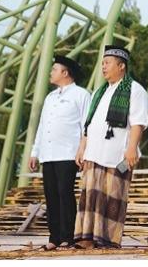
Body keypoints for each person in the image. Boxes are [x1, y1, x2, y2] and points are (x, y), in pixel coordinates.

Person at [73, 45, 148, 249]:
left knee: (113, 197)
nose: (103, 67)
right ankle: (87, 238)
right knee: (90, 195)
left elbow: (138, 123)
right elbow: (88, 124)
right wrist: (82, 148)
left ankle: (107, 239)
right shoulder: (99, 91)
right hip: (93, 152)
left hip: (117, 154)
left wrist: (132, 148)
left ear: (121, 66)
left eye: (107, 63)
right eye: (103, 63)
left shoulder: (135, 90)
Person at [29, 55, 90, 251]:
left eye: (54, 69)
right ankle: (54, 237)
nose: (51, 72)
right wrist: (34, 152)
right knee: (51, 195)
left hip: (68, 153)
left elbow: (85, 126)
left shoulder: (81, 95)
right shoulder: (50, 97)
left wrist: (83, 150)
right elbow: (42, 126)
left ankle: (68, 237)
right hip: (48, 154)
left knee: (65, 193)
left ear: (65, 73)